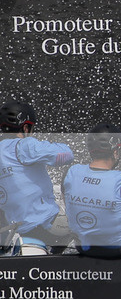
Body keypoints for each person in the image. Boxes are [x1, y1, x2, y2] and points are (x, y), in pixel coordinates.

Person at [0, 100, 75, 255]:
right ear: (26, 127)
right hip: (45, 225)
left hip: (15, 228)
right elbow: (67, 155)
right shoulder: (26, 145)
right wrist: (44, 146)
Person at [61, 124, 121, 251]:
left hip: (82, 247)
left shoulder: (70, 173)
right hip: (114, 251)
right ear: (115, 152)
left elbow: (69, 205)